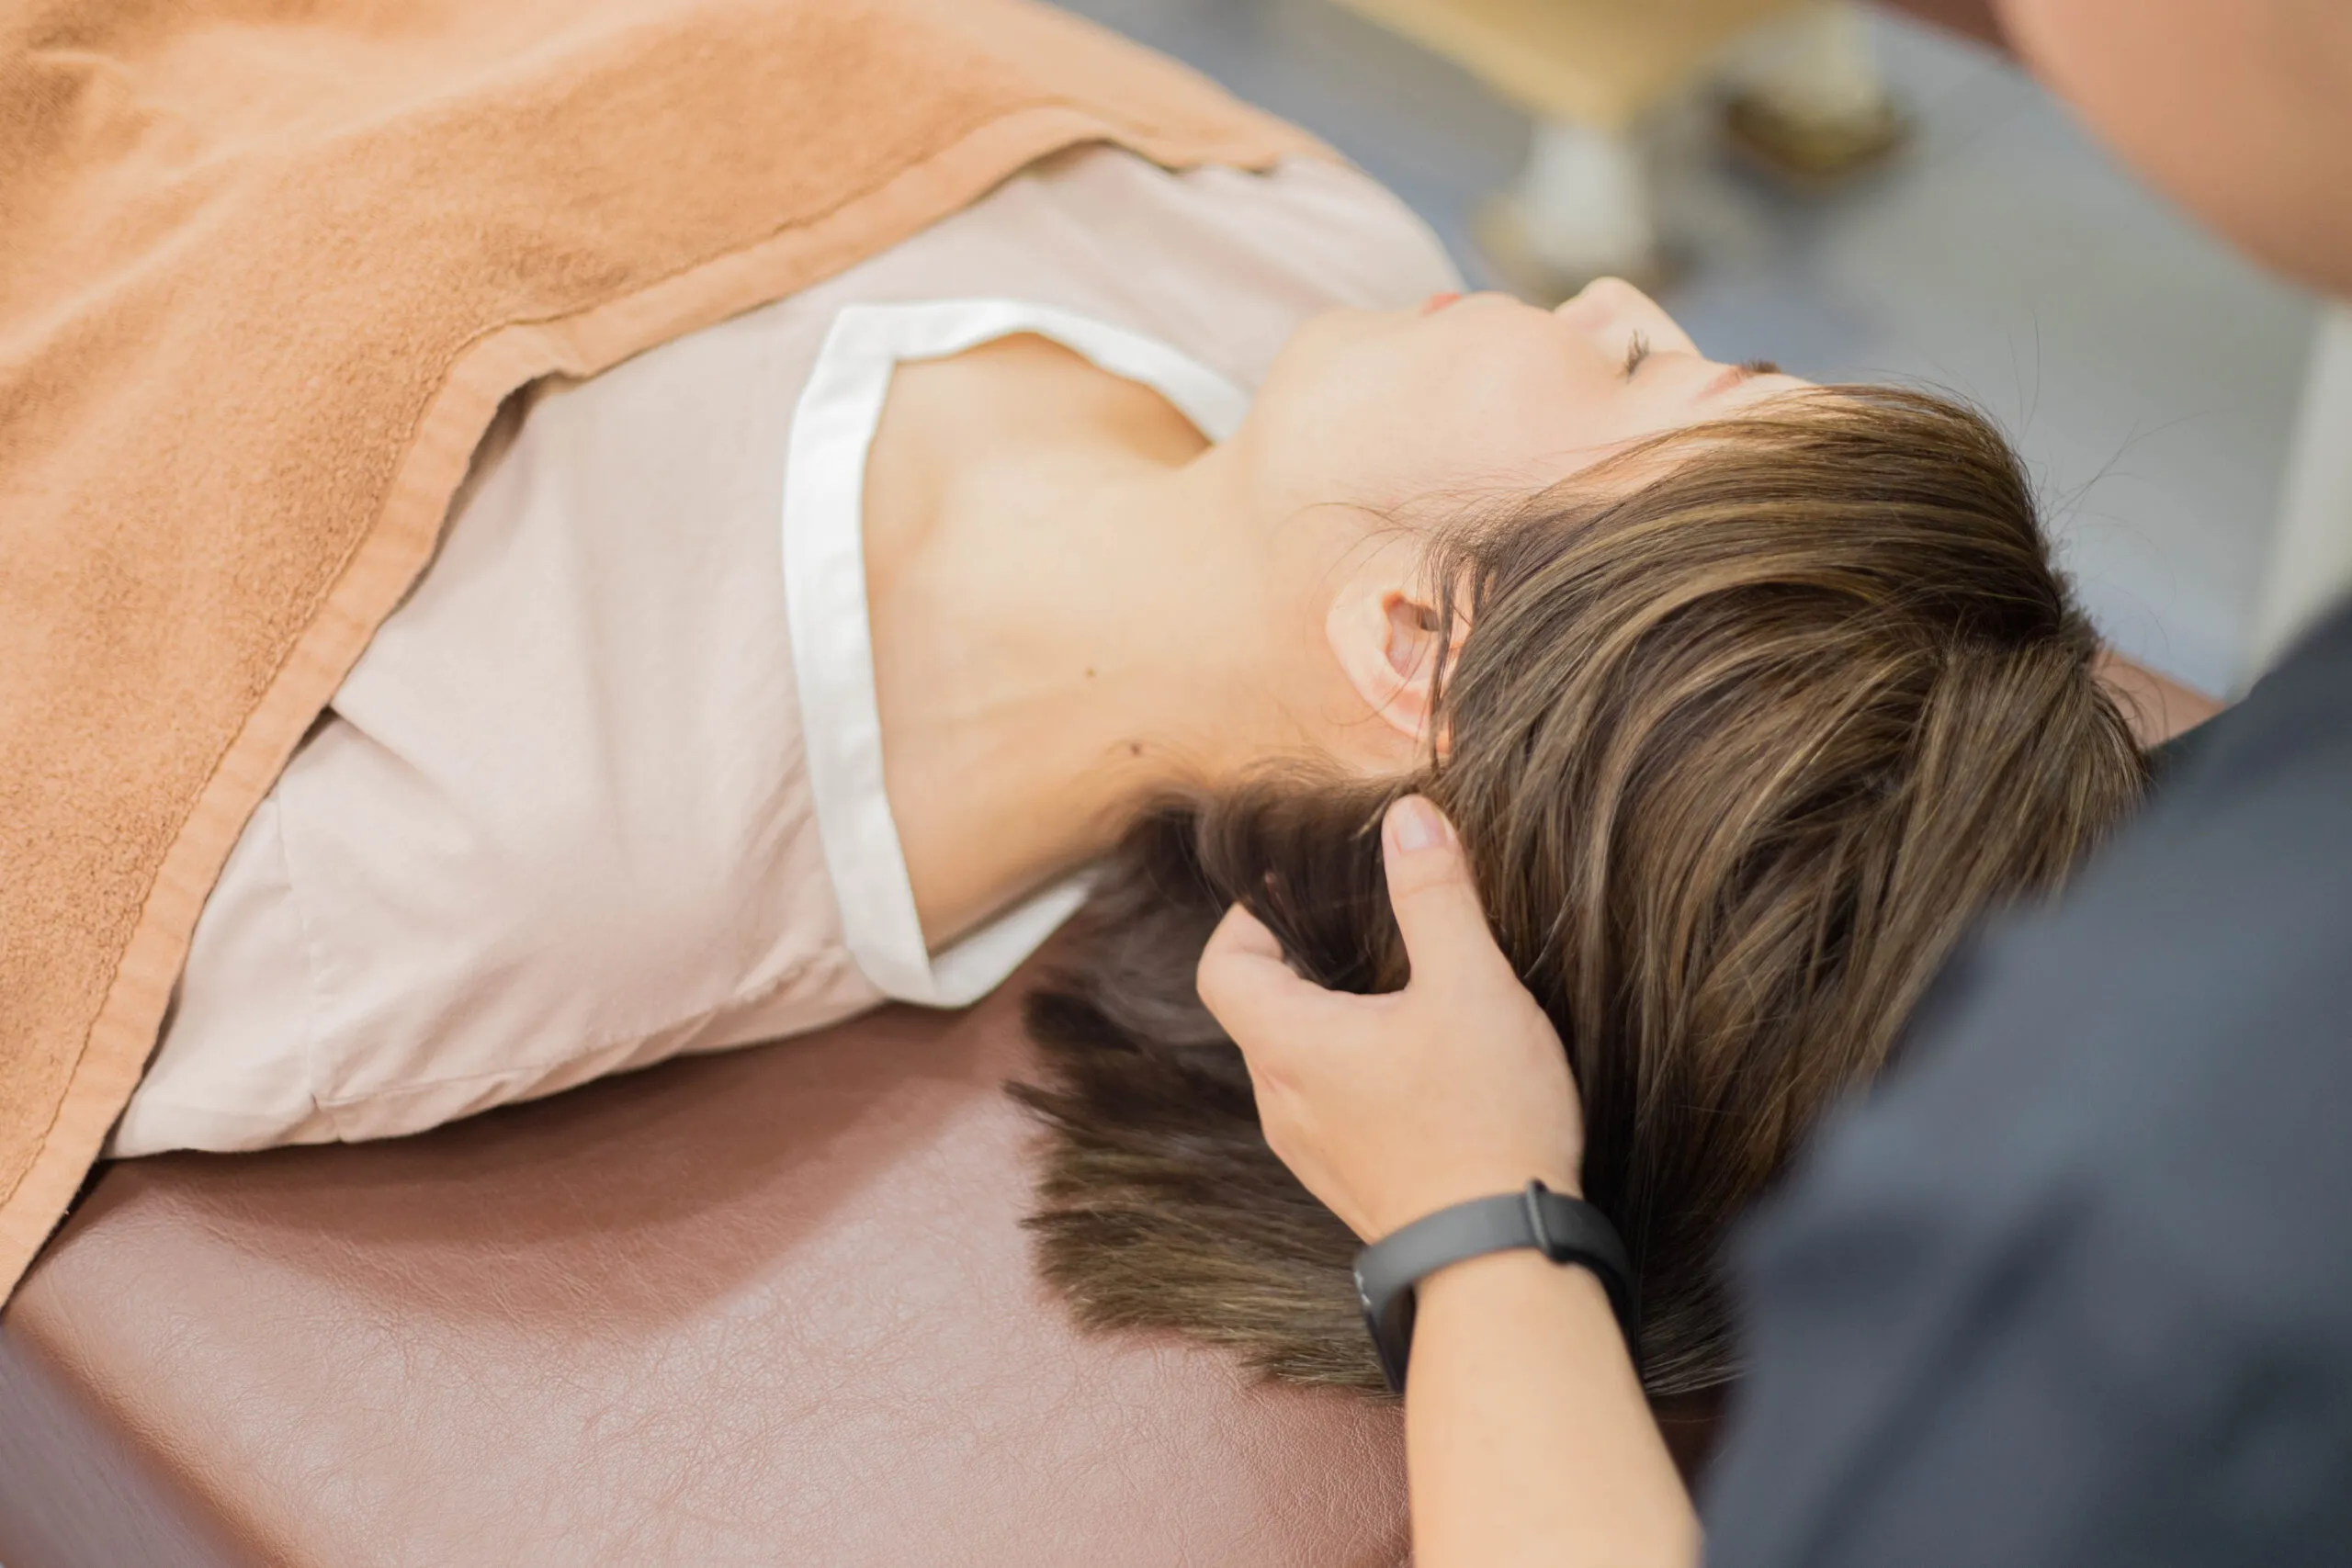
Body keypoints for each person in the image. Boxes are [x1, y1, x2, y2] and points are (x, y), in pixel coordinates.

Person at [1194, 1, 2352, 1564]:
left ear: (1420, 641)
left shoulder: (2137, 1222)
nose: (1620, 296)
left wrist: (1471, 1217)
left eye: (1648, 363)